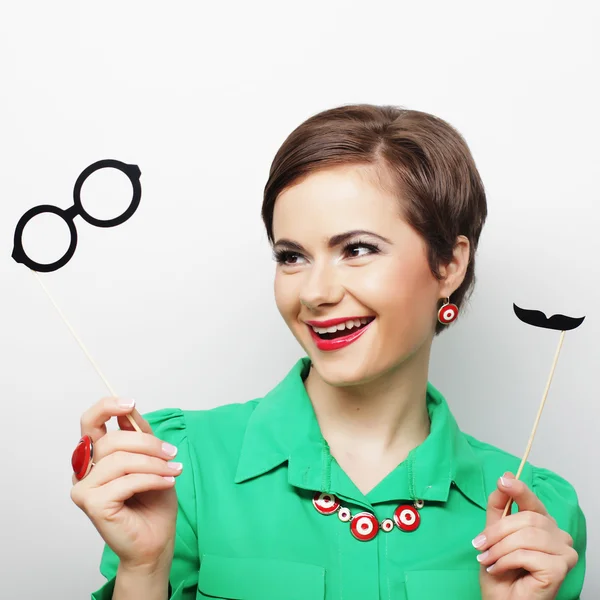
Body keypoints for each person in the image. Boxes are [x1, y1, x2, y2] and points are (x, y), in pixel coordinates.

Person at [70, 104, 586, 600]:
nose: (315, 293)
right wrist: (144, 568)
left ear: (449, 264)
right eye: (291, 256)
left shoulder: (537, 515)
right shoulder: (177, 468)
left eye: (357, 249)